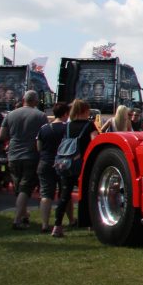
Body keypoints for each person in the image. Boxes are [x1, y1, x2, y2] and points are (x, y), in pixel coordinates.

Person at [0, 90, 48, 229]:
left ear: (23, 99)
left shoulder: (10, 115)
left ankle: (24, 215)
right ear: (36, 101)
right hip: (31, 155)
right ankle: (17, 220)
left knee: (19, 188)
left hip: (13, 154)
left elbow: (1, 135)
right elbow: (44, 136)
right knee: (25, 189)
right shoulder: (41, 116)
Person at [52, 99, 99, 238]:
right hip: (83, 164)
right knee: (87, 194)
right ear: (84, 111)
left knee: (64, 196)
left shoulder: (67, 126)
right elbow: (95, 141)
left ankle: (57, 225)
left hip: (67, 163)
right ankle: (90, 223)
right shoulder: (89, 126)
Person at [35, 102, 69, 233]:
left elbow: (38, 146)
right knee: (64, 193)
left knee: (46, 194)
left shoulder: (44, 128)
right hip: (63, 162)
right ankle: (70, 219)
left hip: (45, 162)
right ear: (65, 114)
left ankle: (44, 224)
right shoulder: (67, 128)